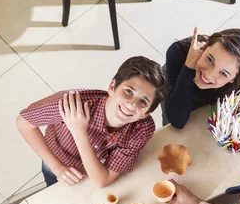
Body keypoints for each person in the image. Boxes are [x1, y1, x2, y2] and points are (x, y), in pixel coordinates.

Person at [17, 56, 167, 188]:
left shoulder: (143, 128)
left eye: (143, 101)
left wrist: (79, 131)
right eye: (128, 91)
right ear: (112, 87)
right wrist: (57, 168)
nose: (131, 104)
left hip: (93, 170)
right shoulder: (70, 105)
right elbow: (23, 122)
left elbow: (102, 180)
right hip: (57, 160)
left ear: (146, 114)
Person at [162, 27, 240, 129]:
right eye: (210, 59)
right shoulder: (178, 53)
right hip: (177, 87)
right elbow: (176, 121)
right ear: (204, 48)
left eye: (223, 73)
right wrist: (188, 68)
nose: (209, 74)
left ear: (233, 79)